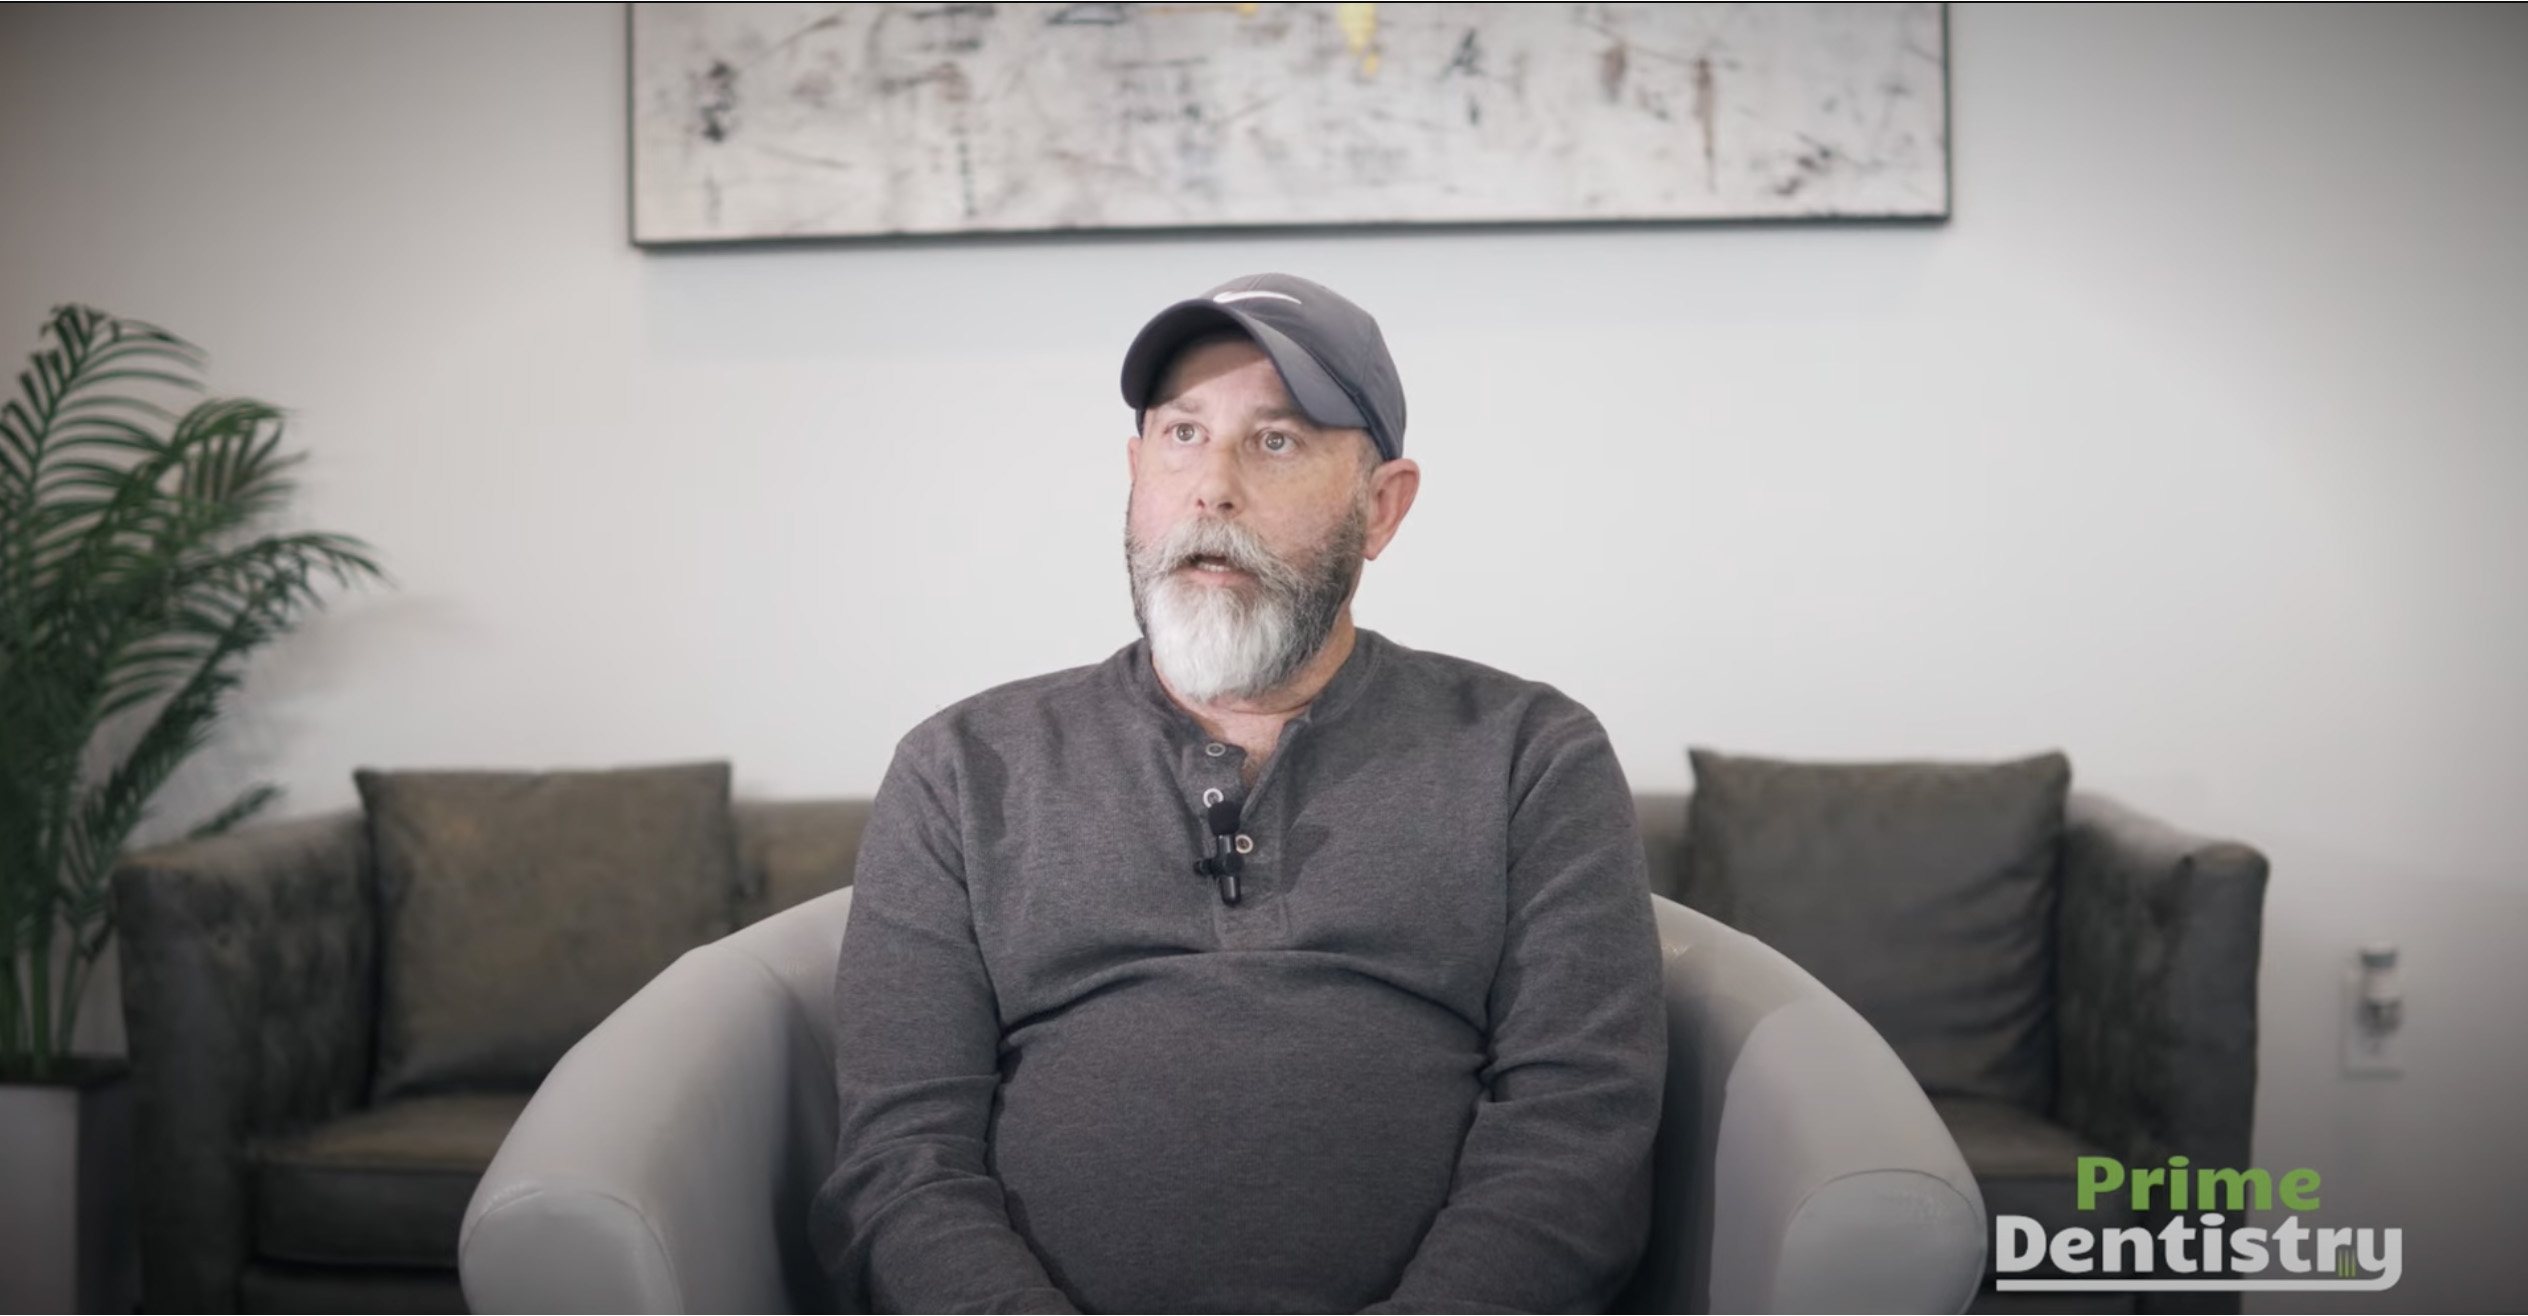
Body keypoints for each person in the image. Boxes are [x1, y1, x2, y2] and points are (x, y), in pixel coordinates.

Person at [808, 273, 1667, 1314]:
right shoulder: (961, 766)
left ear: (1380, 507)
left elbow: (1576, 1136)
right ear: (1134, 473)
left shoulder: (1530, 753)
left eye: (1275, 440)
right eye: (1179, 434)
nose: (1209, 486)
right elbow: (899, 1161)